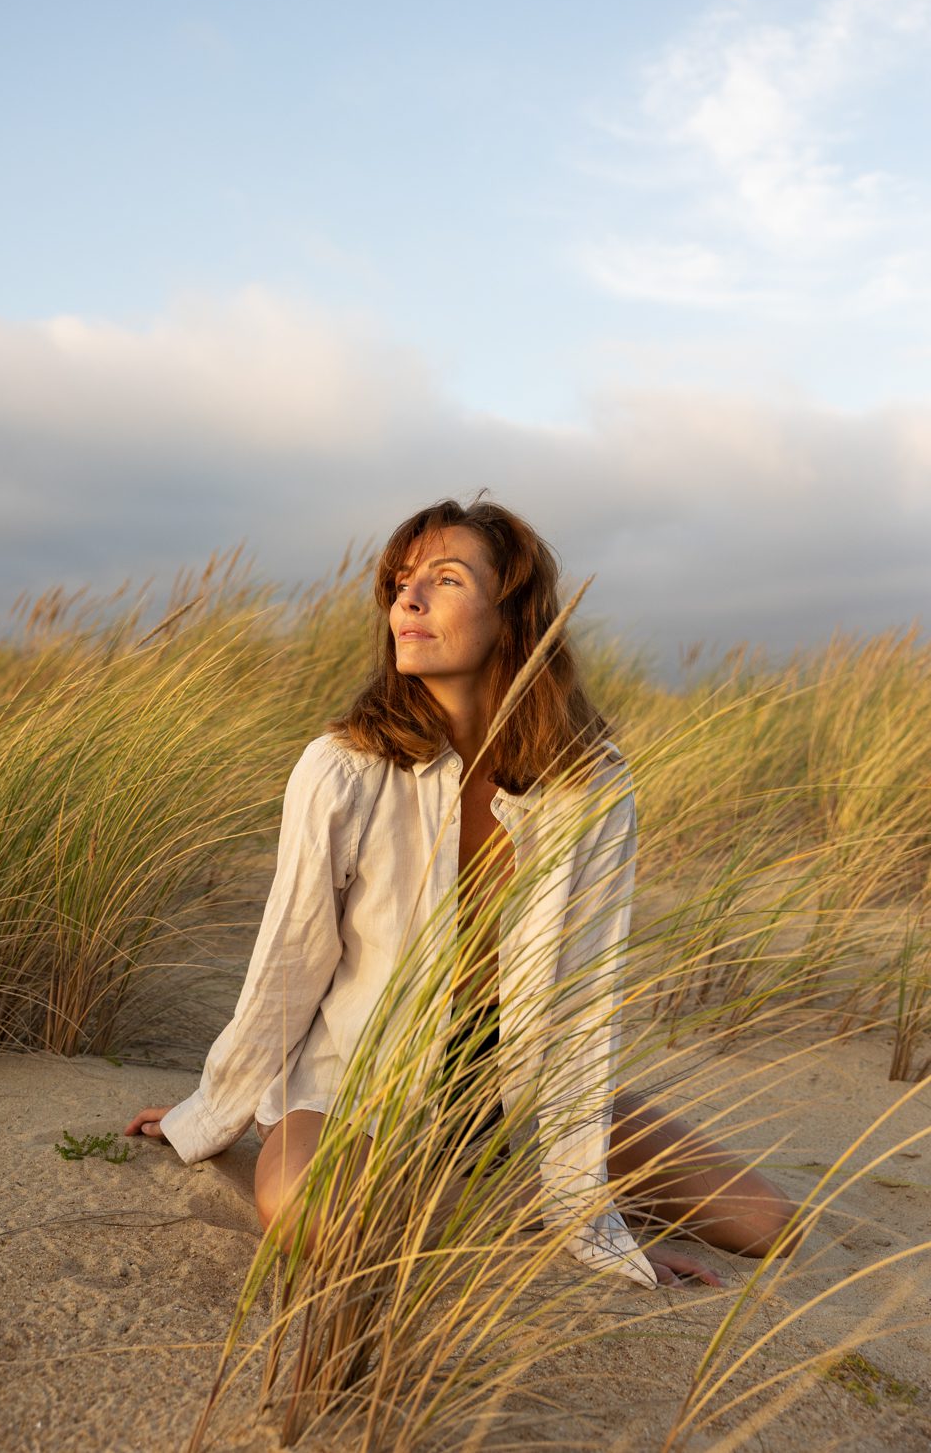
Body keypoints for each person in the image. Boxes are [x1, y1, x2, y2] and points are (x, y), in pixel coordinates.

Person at [126, 497, 795, 1288]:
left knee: (768, 1226)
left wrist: (592, 1222)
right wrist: (210, 1113)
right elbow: (288, 965)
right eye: (400, 582)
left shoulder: (591, 785)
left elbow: (587, 995)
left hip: (514, 1101)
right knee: (316, 1223)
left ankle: (533, 1174)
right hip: (357, 1092)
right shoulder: (341, 769)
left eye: (444, 580)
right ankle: (450, 1189)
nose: (407, 601)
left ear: (512, 616)